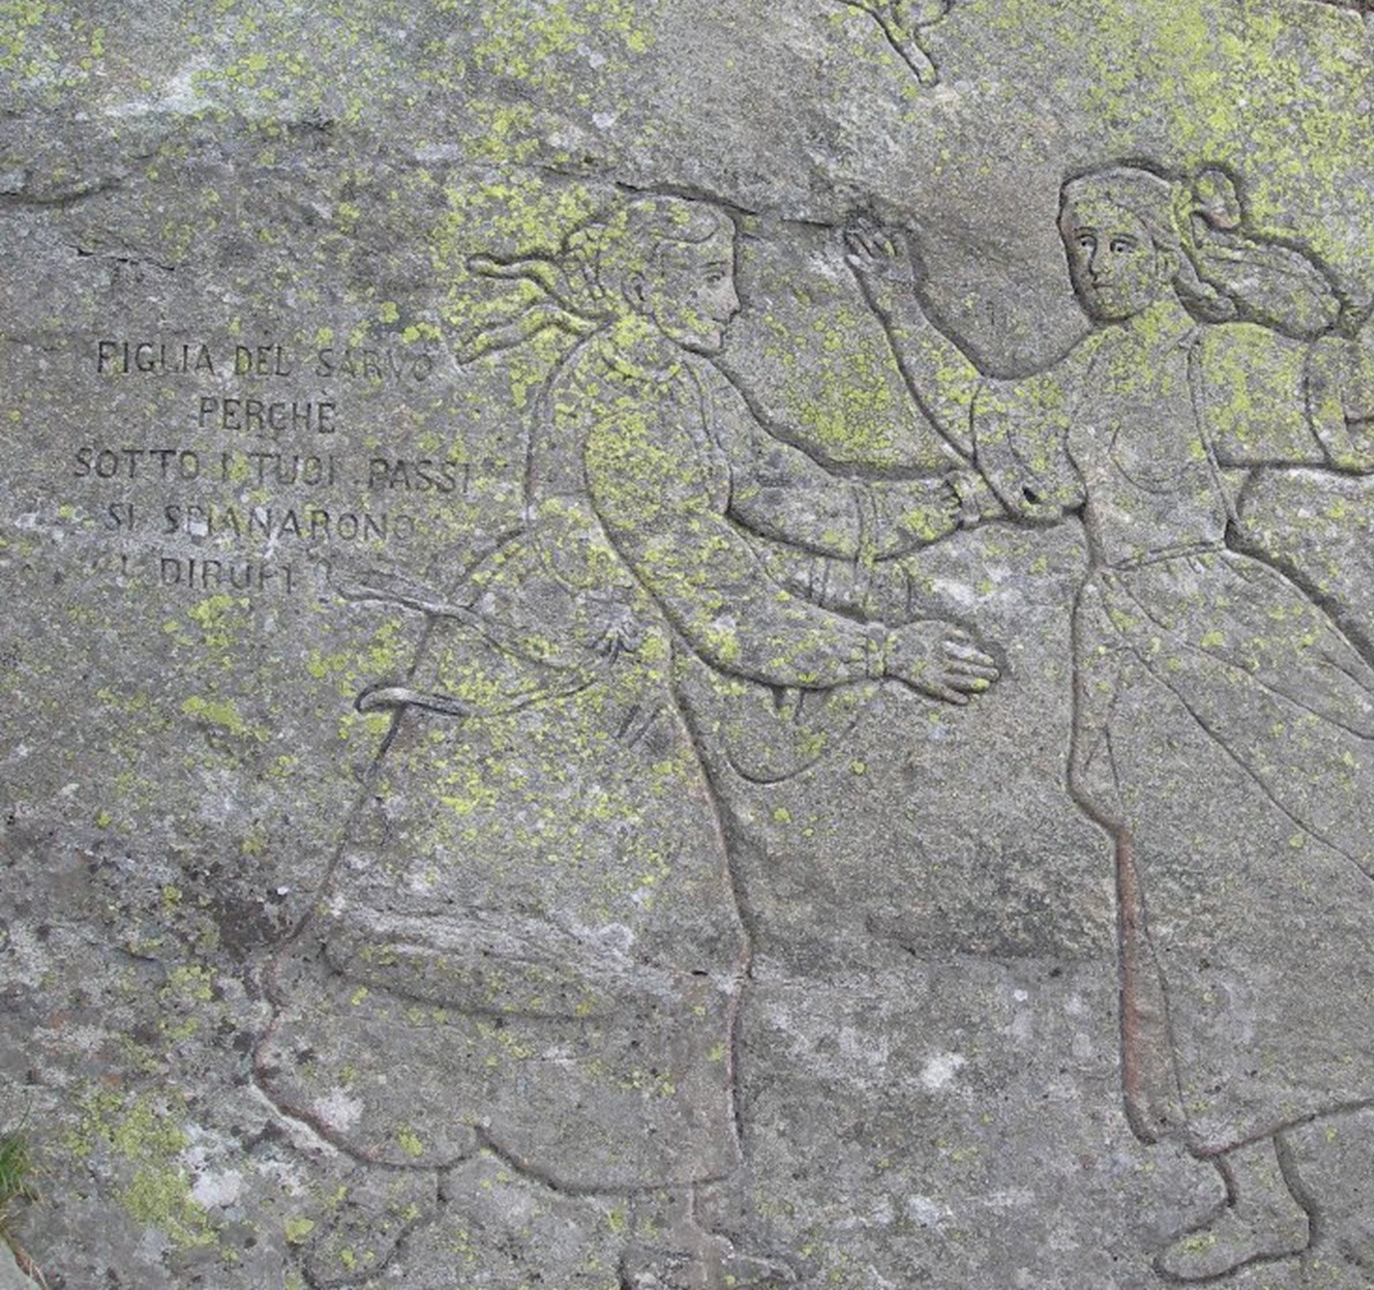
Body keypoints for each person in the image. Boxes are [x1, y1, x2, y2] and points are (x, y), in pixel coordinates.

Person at [255, 191, 1000, 1288]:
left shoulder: (684, 383)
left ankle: (626, 1227)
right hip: (538, 707)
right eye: (713, 279)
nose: (734, 301)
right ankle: (406, 1194)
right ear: (650, 286)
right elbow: (717, 598)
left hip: (601, 696)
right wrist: (885, 651)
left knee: (613, 952)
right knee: (530, 947)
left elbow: (795, 500)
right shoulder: (626, 400)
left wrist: (971, 496)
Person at [844, 159, 1374, 1281]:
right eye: (1082, 248)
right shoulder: (1082, 379)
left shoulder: (1208, 360)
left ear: (1168, 254)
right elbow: (985, 420)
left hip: (1232, 635)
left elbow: (1357, 386)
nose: (1097, 268)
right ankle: (1261, 1197)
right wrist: (898, 304)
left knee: (1343, 865)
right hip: (1138, 659)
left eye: (1122, 246)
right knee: (1196, 922)